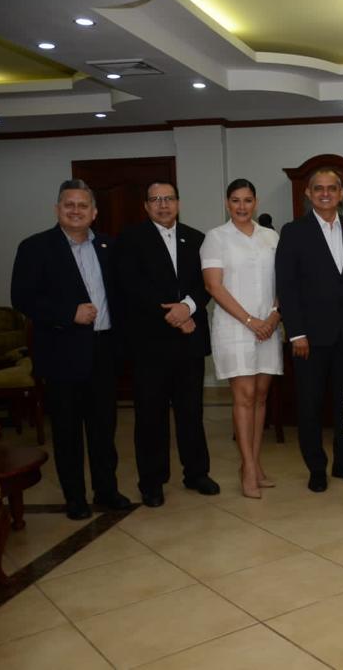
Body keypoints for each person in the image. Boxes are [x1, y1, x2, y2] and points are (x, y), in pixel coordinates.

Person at [10, 179, 131, 520]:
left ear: (94, 213)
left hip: (104, 351)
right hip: (63, 353)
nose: (75, 210)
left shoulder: (109, 246)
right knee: (66, 431)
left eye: (82, 205)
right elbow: (23, 298)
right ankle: (75, 497)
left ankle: (106, 490)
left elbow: (122, 295)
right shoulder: (35, 248)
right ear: (57, 209)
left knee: (104, 429)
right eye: (69, 204)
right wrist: (69, 313)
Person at [116, 181, 219, 508]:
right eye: (156, 200)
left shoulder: (198, 238)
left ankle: (196, 473)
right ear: (146, 206)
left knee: (192, 412)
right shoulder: (130, 239)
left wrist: (188, 307)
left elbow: (207, 284)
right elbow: (129, 286)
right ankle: (152, 481)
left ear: (178, 203)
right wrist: (172, 314)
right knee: (151, 415)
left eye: (169, 199)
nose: (163, 205)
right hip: (150, 342)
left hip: (189, 340)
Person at [275, 168, 343, 492]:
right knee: (310, 406)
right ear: (308, 194)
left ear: (342, 194)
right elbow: (286, 286)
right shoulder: (293, 232)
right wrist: (297, 333)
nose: (325, 194)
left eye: (332, 188)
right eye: (319, 189)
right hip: (310, 339)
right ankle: (316, 467)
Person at [200, 179, 283, 499]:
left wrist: (274, 316)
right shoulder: (216, 238)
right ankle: (247, 468)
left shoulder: (270, 237)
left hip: (269, 325)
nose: (242, 206)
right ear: (227, 203)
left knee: (261, 396)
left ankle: (256, 463)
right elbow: (213, 287)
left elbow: (283, 279)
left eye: (247, 200)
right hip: (235, 327)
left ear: (256, 202)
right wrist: (250, 321)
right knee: (244, 396)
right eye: (235, 200)